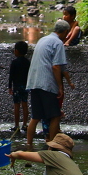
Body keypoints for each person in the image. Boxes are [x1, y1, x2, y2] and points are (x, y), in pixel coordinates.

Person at [26, 19, 69, 147]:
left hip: (34, 82)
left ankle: (29, 145)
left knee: (35, 117)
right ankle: (51, 145)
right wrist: (60, 87)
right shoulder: (58, 43)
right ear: (65, 32)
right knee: (55, 116)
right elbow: (56, 67)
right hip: (47, 84)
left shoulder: (43, 39)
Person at [8, 41, 30, 137]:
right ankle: (25, 124)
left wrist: (10, 86)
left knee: (16, 105)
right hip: (25, 85)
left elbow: (11, 76)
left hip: (16, 86)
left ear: (16, 51)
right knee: (25, 104)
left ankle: (16, 125)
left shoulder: (14, 62)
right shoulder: (27, 62)